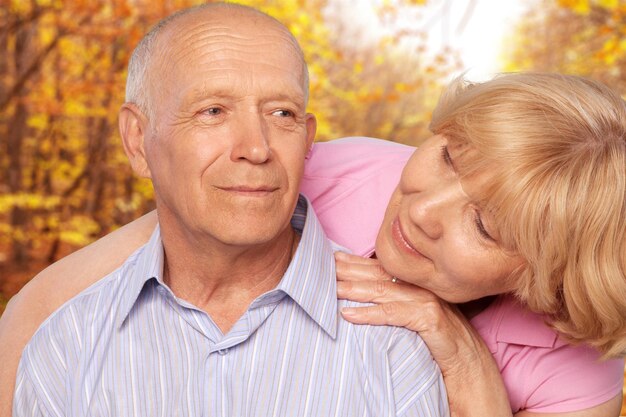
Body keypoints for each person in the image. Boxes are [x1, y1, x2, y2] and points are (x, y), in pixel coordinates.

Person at [4, 71, 624, 417]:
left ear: (548, 275)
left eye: (485, 225)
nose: (424, 208)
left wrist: (463, 360)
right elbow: (42, 311)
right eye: (448, 157)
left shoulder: (577, 369)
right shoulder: (332, 174)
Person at [8, 4, 450, 416]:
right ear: (137, 140)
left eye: (282, 114)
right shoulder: (67, 346)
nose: (256, 148)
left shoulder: (395, 347)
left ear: (308, 140)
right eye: (213, 111)